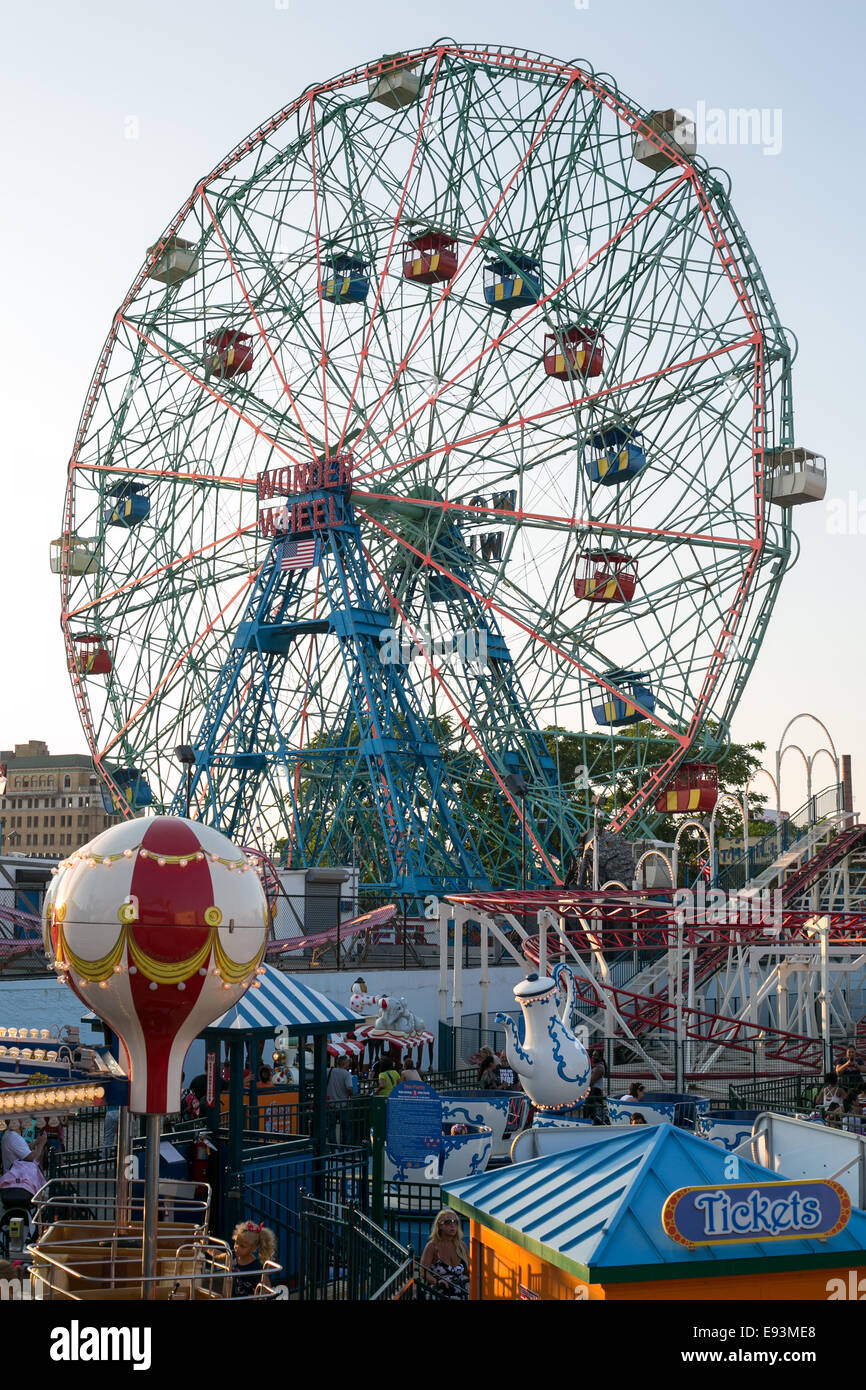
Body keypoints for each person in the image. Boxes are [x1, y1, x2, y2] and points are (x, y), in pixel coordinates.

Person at [420, 1209, 470, 1301]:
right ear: (439, 1226)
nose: (452, 1225)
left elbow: (468, 1271)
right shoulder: (432, 1246)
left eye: (455, 1222)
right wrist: (437, 1282)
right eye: (448, 1222)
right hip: (440, 1292)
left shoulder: (461, 1246)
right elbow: (423, 1272)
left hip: (461, 1292)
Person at [230, 1220, 276, 1298]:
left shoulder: (256, 1266)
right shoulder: (232, 1256)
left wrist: (258, 1296)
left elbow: (268, 1287)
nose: (237, 1247)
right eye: (236, 1242)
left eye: (242, 1246)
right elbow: (219, 1255)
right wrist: (207, 1248)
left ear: (253, 1248)